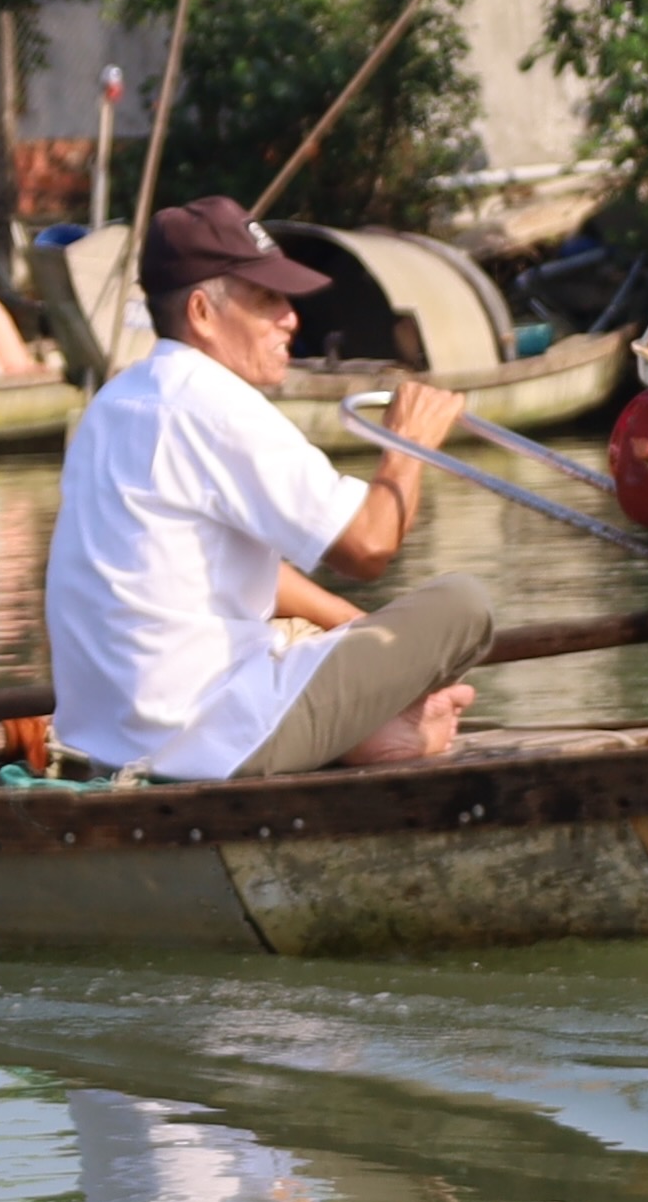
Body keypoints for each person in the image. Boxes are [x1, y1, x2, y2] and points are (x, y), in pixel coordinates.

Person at [43, 198, 490, 781]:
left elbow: (217, 570)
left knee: (303, 629)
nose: (291, 320)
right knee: (465, 606)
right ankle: (382, 733)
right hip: (207, 745)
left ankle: (377, 722)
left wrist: (365, 636)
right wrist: (409, 446)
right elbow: (369, 547)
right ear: (202, 313)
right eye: (267, 301)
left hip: (112, 740)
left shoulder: (115, 401)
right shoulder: (215, 403)